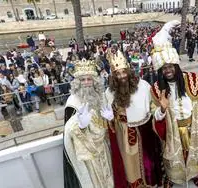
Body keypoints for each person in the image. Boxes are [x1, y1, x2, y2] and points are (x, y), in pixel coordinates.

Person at [150, 20, 198, 188]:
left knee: (194, 152)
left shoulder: (194, 80)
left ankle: (194, 173)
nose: (167, 70)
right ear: (160, 71)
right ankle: (172, 177)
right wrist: (162, 109)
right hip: (173, 128)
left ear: (176, 66)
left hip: (193, 125)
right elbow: (154, 115)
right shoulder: (156, 89)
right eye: (164, 68)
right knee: (173, 155)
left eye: (170, 67)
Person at [105, 49, 163, 187]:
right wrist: (110, 118)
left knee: (148, 162)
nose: (122, 76)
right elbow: (109, 117)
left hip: (144, 130)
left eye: (124, 72)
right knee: (129, 163)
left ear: (129, 71)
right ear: (113, 76)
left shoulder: (143, 86)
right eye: (117, 74)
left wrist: (161, 110)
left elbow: (153, 107)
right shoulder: (109, 92)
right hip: (123, 133)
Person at [64, 58, 114, 188]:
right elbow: (68, 133)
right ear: (77, 82)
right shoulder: (73, 102)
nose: (86, 83)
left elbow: (107, 125)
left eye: (89, 79)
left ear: (94, 81)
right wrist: (80, 126)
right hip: (89, 153)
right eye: (82, 79)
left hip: (104, 147)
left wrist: (111, 120)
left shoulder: (101, 96)